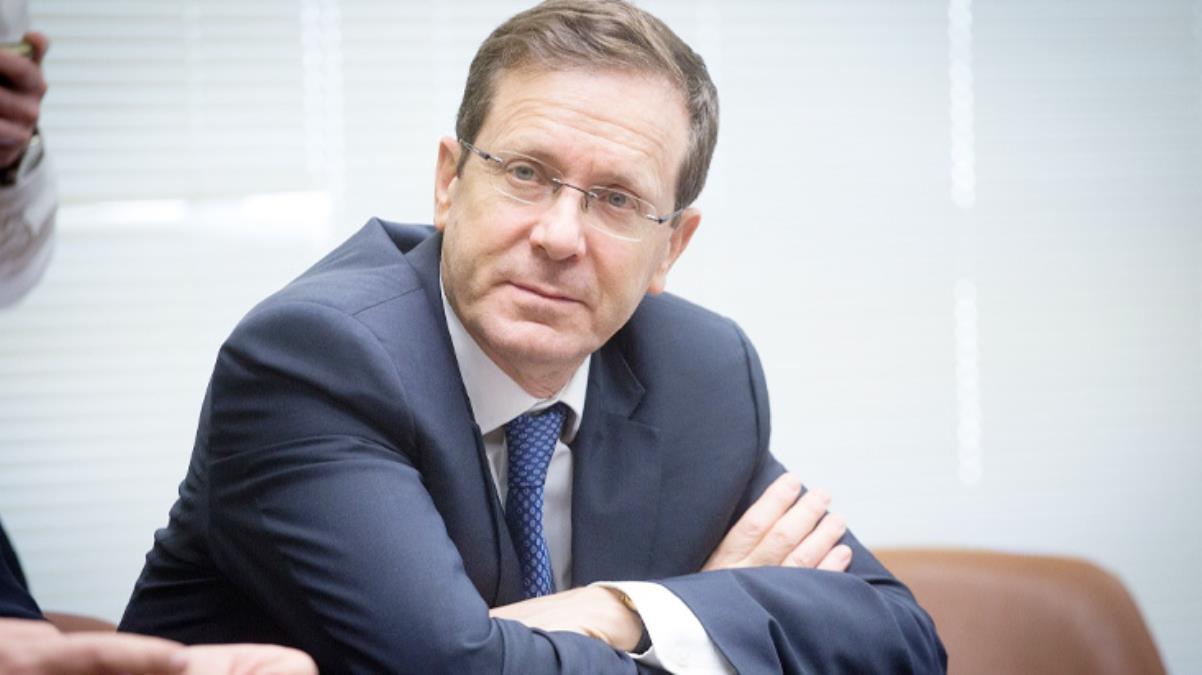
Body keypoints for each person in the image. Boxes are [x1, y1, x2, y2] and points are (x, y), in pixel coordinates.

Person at [120, 1, 947, 673]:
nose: (558, 236)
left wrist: (629, 611)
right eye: (524, 173)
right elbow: (451, 669)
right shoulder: (313, 361)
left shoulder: (699, 371)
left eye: (616, 198)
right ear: (449, 184)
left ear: (671, 247)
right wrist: (700, 619)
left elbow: (899, 639)